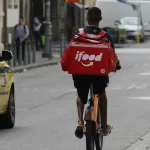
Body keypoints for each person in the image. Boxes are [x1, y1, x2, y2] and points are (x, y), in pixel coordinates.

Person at [61, 7, 121, 139]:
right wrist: (117, 65)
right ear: (100, 19)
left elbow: (68, 54)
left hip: (80, 74)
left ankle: (80, 122)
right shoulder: (105, 36)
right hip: (99, 75)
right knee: (101, 94)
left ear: (87, 18)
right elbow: (113, 56)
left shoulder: (77, 34)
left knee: (80, 96)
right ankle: (104, 126)